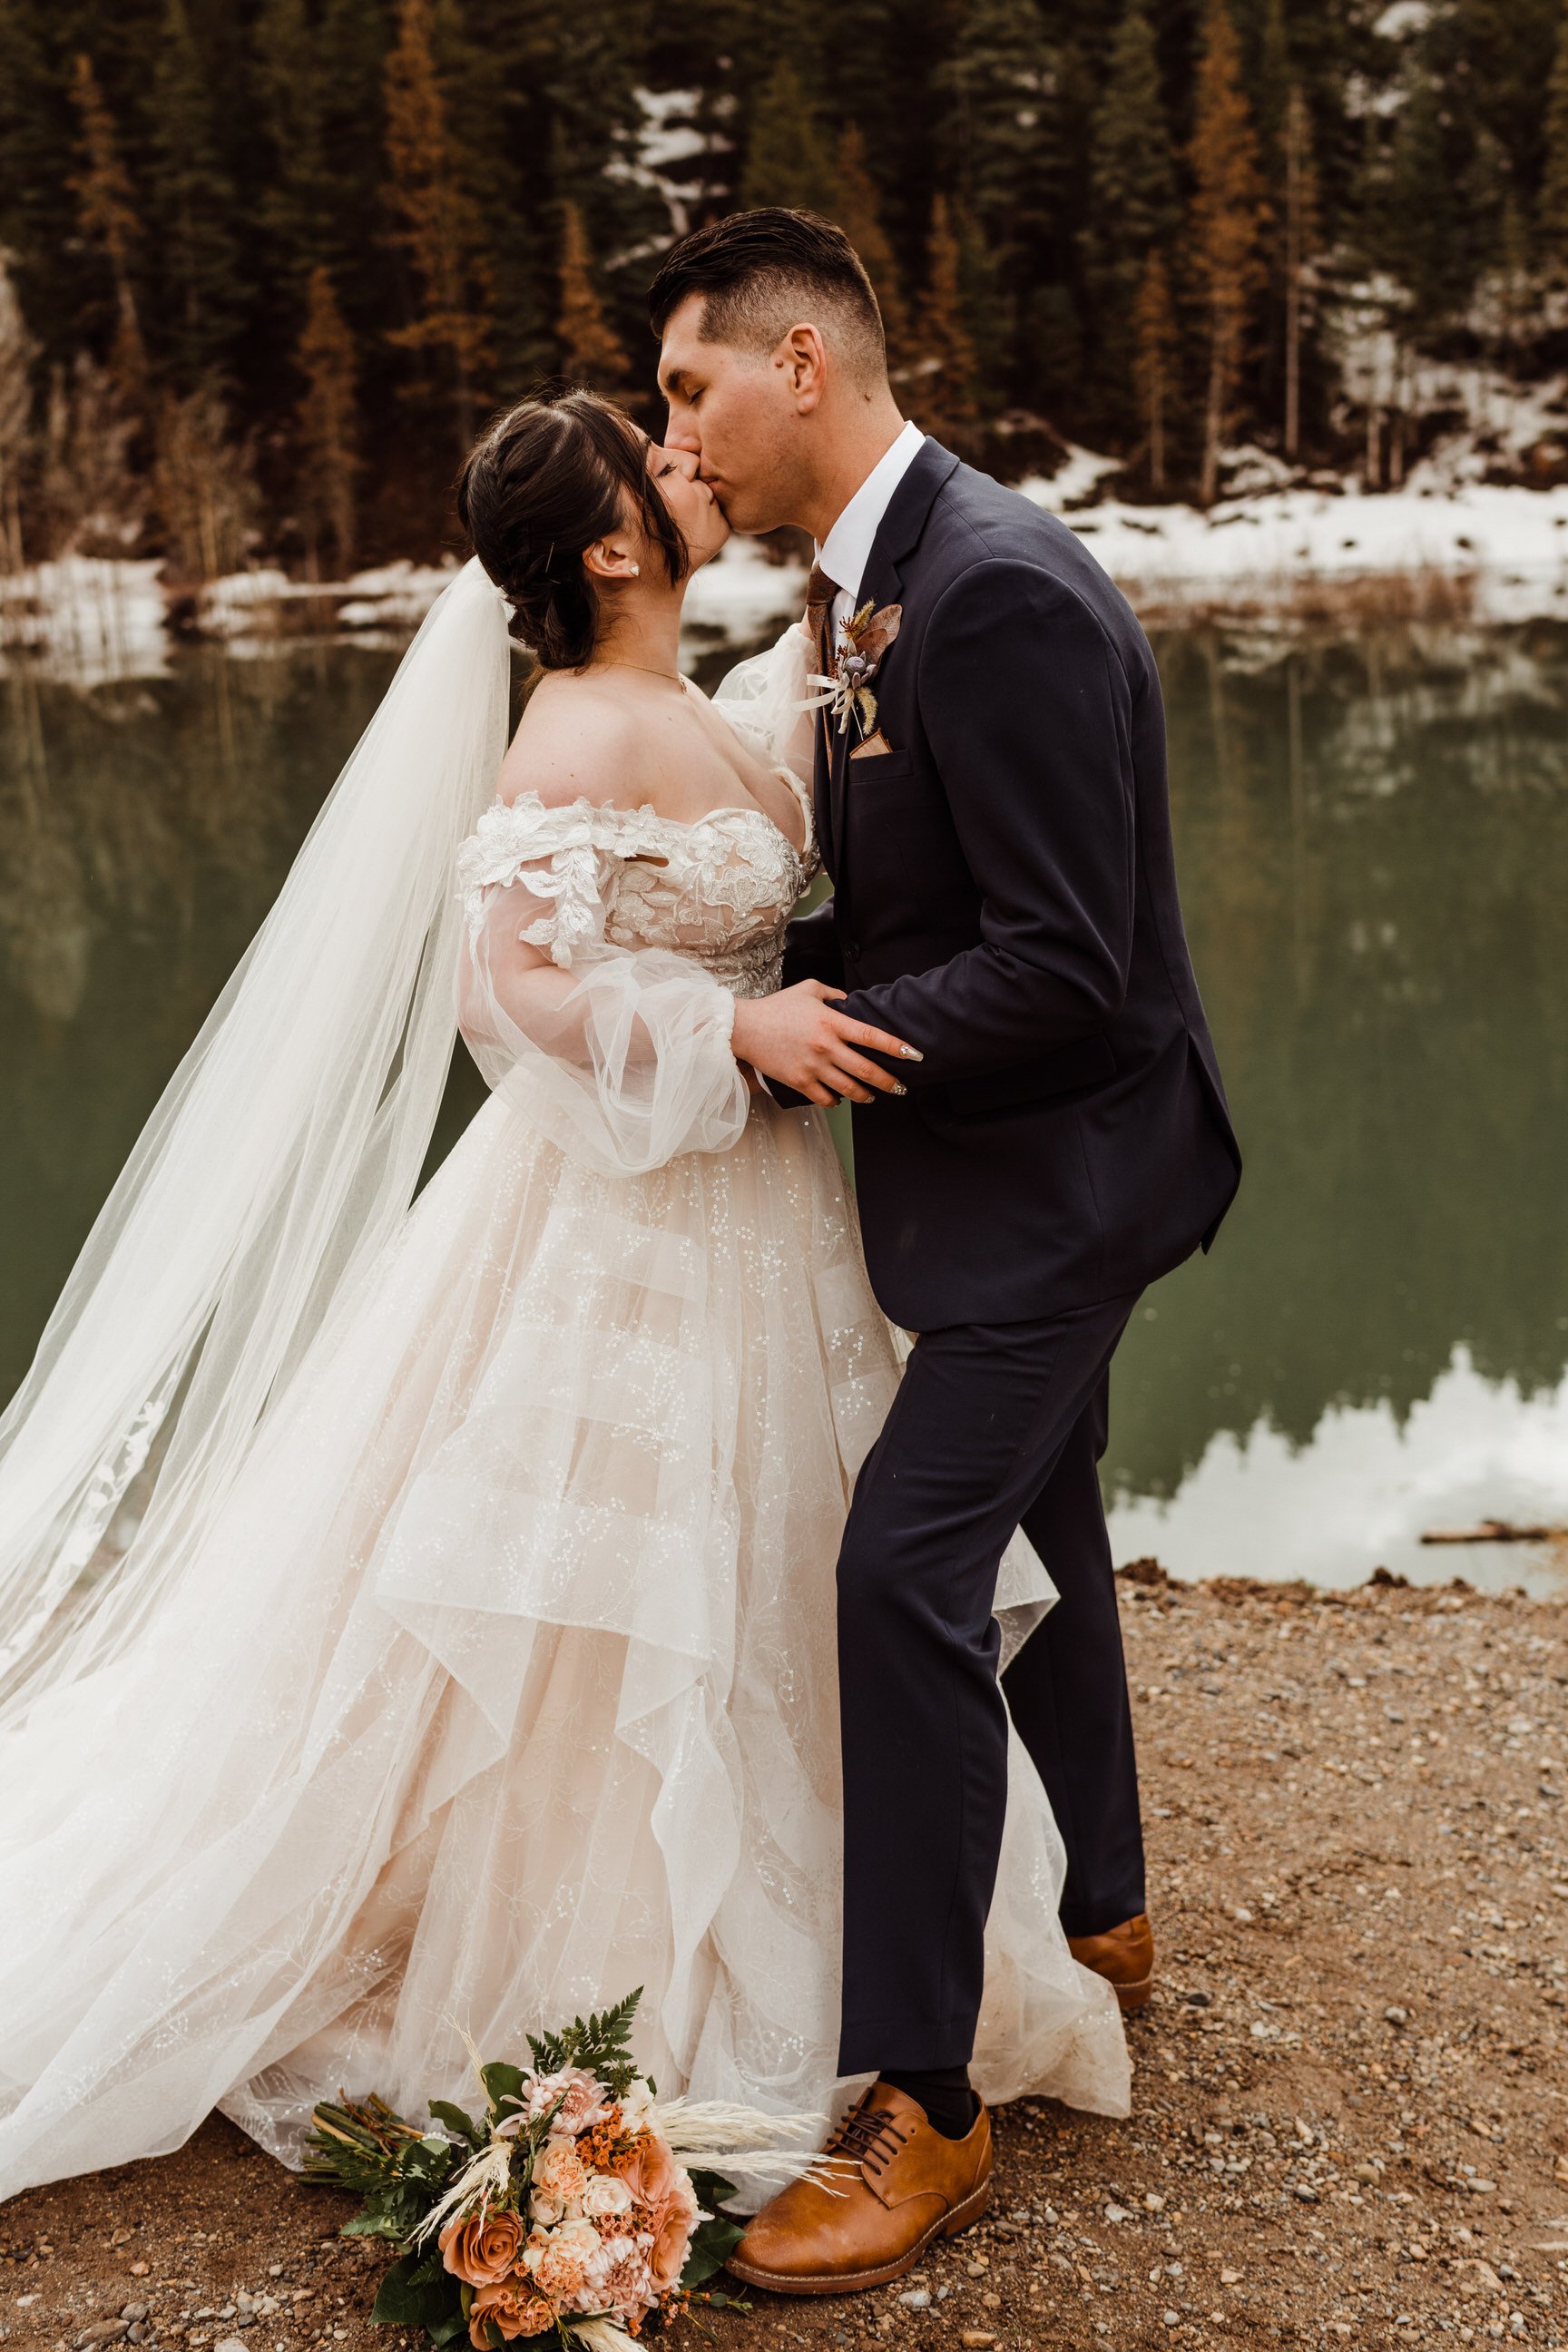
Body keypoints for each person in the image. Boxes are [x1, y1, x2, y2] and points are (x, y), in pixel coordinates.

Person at [0, 387, 1128, 2212]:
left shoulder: (684, 697)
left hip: (761, 1220)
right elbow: (503, 990)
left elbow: (771, 781)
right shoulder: (570, 740)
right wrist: (725, 1024)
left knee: (784, 1566)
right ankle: (628, 1981)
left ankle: (886, 1942)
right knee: (622, 1603)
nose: (689, 468)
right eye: (656, 460)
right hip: (626, 1230)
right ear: (608, 545)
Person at [649, 211, 1242, 2292]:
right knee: (1049, 1512)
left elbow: (1077, 970)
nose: (683, 433)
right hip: (1005, 1169)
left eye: (693, 386)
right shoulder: (880, 588)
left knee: (905, 1566)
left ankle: (924, 2103)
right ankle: (1105, 1911)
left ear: (801, 364)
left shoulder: (991, 593)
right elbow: (925, 889)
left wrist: (816, 1050)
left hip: (1067, 1179)